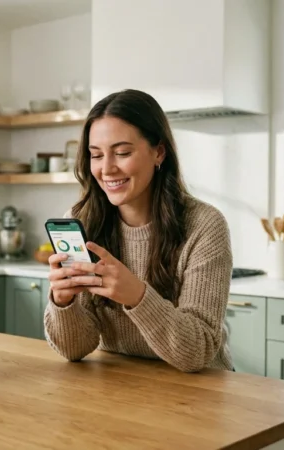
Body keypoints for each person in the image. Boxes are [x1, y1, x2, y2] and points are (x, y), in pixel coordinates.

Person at [43, 89, 234, 373]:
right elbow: (74, 349)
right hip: (121, 387)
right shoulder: (82, 220)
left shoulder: (204, 225)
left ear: (158, 152)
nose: (106, 169)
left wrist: (136, 296)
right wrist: (63, 302)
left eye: (122, 153)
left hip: (198, 392)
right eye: (96, 155)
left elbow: (198, 351)